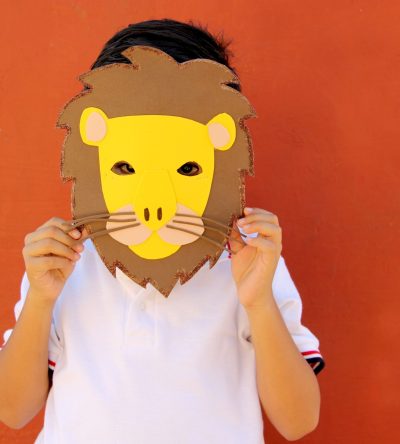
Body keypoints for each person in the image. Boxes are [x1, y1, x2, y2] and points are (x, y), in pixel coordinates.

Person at [0, 18, 325, 443]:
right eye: (126, 167)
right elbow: (14, 410)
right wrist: (41, 301)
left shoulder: (250, 261)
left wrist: (259, 303)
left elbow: (298, 421)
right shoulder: (65, 264)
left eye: (187, 168)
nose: (155, 202)